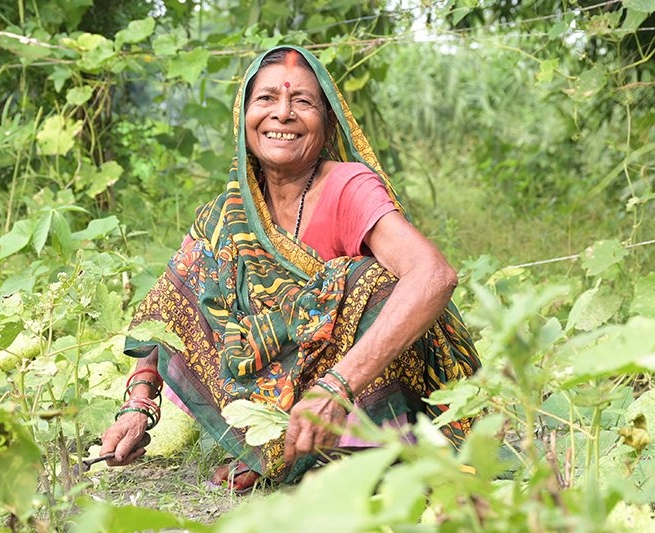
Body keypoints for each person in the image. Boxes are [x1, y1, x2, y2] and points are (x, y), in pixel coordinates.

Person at [101, 46, 480, 491]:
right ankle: (278, 452)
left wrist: (335, 388)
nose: (282, 114)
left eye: (302, 101)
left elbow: (434, 275)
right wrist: (138, 404)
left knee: (372, 283)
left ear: (328, 122)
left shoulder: (347, 187)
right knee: (198, 268)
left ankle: (368, 453)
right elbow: (167, 309)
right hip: (282, 403)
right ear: (243, 119)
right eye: (265, 100)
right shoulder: (228, 215)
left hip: (358, 392)